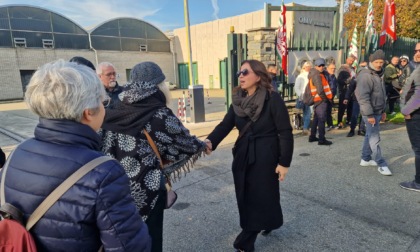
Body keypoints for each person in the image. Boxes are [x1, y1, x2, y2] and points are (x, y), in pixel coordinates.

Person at [0, 60, 151, 251]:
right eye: (103, 102)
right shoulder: (103, 172)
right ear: (88, 113)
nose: (105, 107)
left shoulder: (17, 153)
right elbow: (130, 246)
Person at [100, 61, 208, 252]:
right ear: (157, 85)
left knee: (123, 240)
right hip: (147, 191)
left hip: (114, 188)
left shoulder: (114, 105)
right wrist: (202, 145)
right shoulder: (158, 112)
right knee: (151, 240)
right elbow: (182, 142)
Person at [204, 60, 293, 252]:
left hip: (266, 154)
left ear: (258, 76)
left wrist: (284, 162)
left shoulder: (272, 99)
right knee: (245, 194)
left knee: (260, 195)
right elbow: (225, 124)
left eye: (245, 72)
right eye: (239, 72)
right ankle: (268, 220)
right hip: (243, 153)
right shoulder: (238, 99)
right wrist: (210, 141)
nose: (241, 76)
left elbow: (285, 131)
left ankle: (246, 240)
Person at [355, 49, 392, 176]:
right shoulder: (366, 75)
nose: (379, 64)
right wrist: (369, 115)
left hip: (377, 110)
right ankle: (381, 163)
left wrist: (383, 111)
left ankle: (365, 159)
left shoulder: (378, 74)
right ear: (371, 61)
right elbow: (363, 97)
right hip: (369, 112)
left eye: (381, 62)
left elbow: (381, 94)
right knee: (374, 137)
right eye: (376, 61)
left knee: (370, 135)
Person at [399, 43, 420, 192]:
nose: (417, 53)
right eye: (416, 50)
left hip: (415, 115)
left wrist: (407, 110)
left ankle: (418, 182)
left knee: (418, 149)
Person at [308, 58, 333, 145]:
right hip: (320, 100)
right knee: (321, 119)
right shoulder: (317, 75)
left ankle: (312, 136)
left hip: (318, 99)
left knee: (316, 118)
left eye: (323, 65)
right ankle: (321, 139)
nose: (322, 67)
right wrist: (325, 99)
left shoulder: (316, 74)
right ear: (315, 66)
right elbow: (320, 90)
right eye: (320, 66)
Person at [294, 61, 313, 135]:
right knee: (307, 112)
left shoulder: (312, 75)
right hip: (303, 96)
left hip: (310, 96)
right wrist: (301, 95)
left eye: (310, 66)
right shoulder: (301, 76)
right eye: (307, 66)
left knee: (308, 112)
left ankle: (306, 128)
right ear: (304, 67)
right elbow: (297, 87)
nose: (309, 67)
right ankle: (305, 128)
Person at [336, 64, 353, 128]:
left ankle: (346, 120)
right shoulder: (343, 72)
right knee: (343, 107)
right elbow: (341, 81)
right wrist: (348, 80)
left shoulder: (343, 73)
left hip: (346, 92)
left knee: (347, 107)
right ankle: (342, 121)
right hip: (344, 92)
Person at [325, 63, 337, 130]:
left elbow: (334, 86)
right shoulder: (326, 76)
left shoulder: (333, 76)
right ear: (327, 68)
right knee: (325, 111)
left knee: (329, 111)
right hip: (327, 96)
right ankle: (327, 125)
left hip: (331, 96)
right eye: (331, 68)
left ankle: (330, 124)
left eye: (334, 68)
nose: (333, 70)